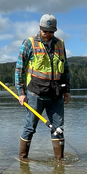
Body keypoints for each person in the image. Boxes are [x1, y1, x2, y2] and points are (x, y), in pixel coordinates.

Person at [15, 14, 71, 163]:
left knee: (58, 128)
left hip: (56, 94)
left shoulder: (60, 44)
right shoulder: (29, 43)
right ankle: (22, 158)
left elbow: (65, 69)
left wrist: (67, 90)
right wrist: (21, 93)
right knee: (30, 127)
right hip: (35, 94)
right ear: (40, 28)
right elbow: (19, 70)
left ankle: (60, 161)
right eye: (45, 31)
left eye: (51, 31)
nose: (48, 34)